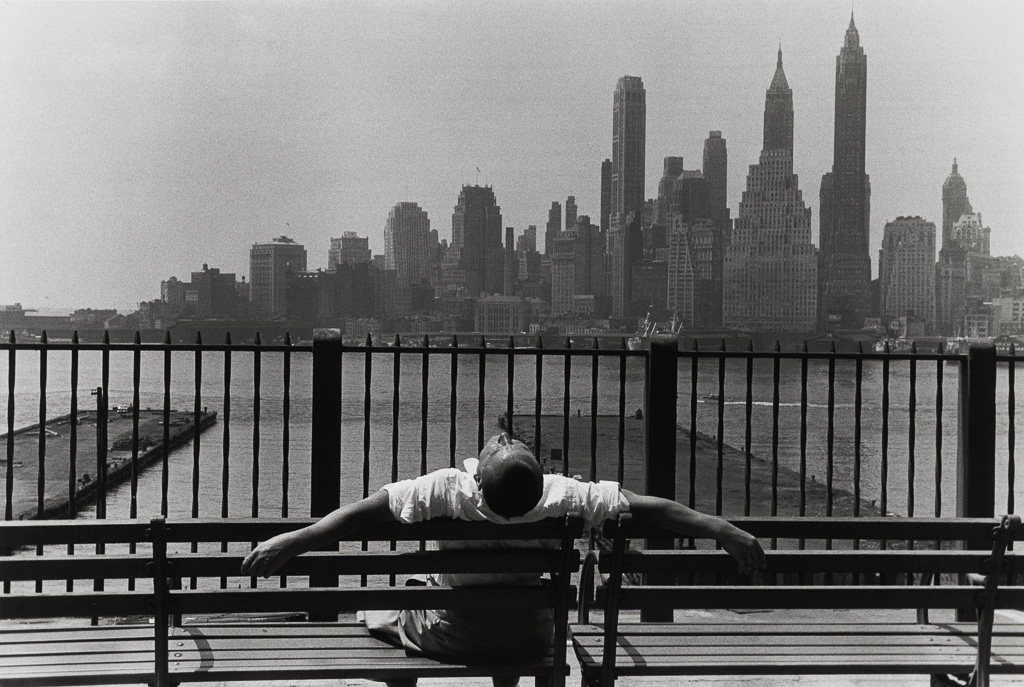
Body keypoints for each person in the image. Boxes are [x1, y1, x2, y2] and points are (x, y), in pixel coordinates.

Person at [241, 430, 766, 687]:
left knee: (400, 602)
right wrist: (722, 530)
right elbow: (651, 509)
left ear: (479, 476)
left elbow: (360, 513)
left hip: (456, 635)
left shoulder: (447, 490)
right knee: (514, 607)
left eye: (502, 444)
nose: (501, 438)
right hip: (532, 636)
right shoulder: (562, 496)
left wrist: (292, 540)